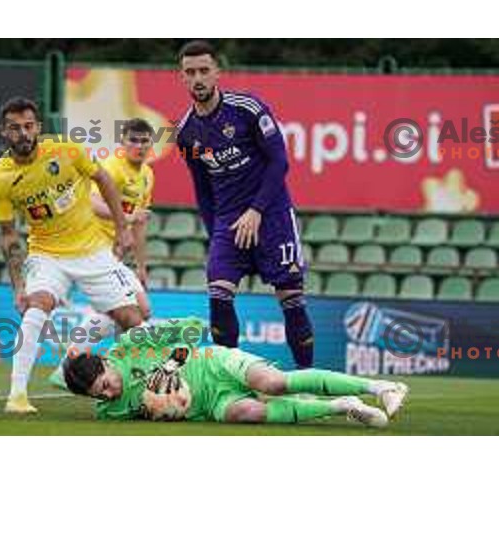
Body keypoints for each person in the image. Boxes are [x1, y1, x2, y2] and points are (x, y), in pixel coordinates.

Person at [0, 97, 144, 414]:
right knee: (37, 305)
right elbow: (8, 235)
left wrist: (122, 227)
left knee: (132, 319)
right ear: (4, 132)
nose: (23, 133)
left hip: (93, 251)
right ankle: (17, 396)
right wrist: (19, 285)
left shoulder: (67, 150)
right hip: (46, 254)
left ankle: (144, 387)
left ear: (38, 128)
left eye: (28, 126)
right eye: (15, 128)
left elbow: (103, 180)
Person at [175, 40, 315, 369]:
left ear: (217, 73)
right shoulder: (185, 134)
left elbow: (279, 163)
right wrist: (215, 235)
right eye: (190, 72)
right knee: (219, 296)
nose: (198, 78)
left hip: (273, 215)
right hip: (227, 222)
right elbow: (202, 188)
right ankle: (233, 379)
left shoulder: (248, 109)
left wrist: (257, 210)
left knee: (291, 299)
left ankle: (307, 381)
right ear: (181, 77)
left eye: (204, 71)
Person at [62, 317, 409, 427]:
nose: (107, 394)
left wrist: (173, 364)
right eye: (99, 394)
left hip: (214, 363)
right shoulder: (109, 410)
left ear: (106, 362)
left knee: (273, 383)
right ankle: (342, 405)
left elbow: (195, 327)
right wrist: (71, 364)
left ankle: (382, 387)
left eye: (105, 384)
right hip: (210, 404)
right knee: (247, 411)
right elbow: (67, 380)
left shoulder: (132, 343)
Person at [90, 118, 155, 319]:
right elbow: (92, 203)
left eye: (144, 141)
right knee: (138, 309)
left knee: (134, 311)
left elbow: (139, 225)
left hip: (116, 254)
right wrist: (128, 217)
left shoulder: (147, 174)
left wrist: (141, 266)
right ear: (122, 142)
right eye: (133, 140)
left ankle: (76, 349)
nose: (139, 146)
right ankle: (75, 349)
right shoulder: (111, 167)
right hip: (94, 249)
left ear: (151, 143)